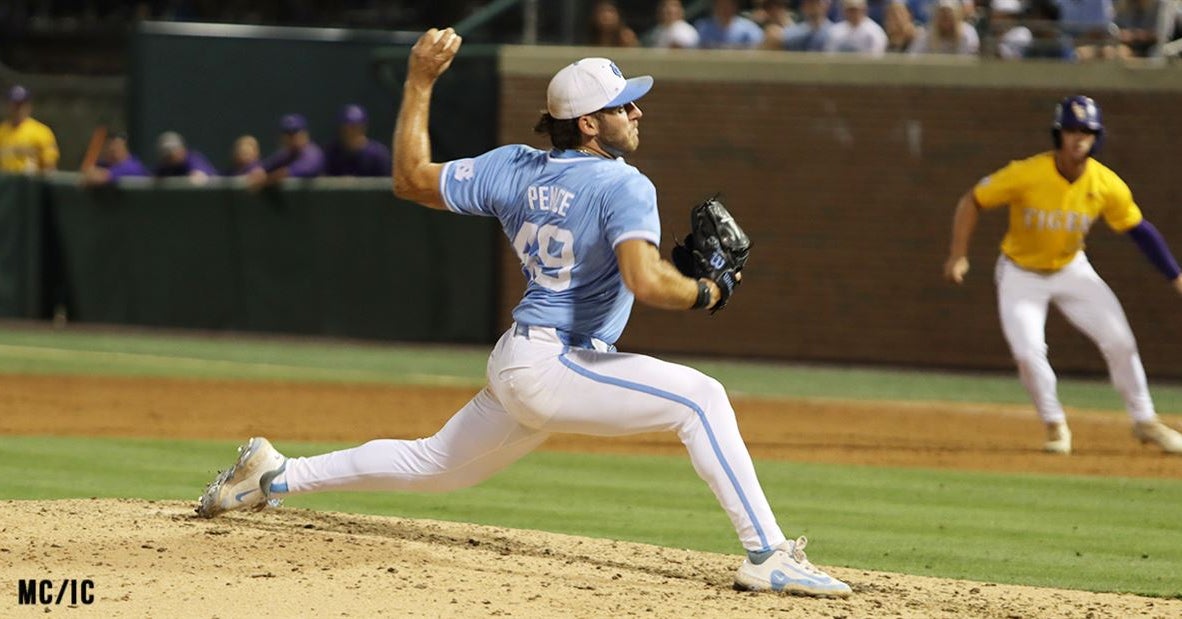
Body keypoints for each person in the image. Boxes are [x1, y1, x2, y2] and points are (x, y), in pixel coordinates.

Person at [196, 28, 853, 599]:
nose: (638, 110)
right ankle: (768, 556)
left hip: (524, 356)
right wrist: (705, 291)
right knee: (702, 399)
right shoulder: (625, 183)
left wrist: (420, 81)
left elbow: (409, 178)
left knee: (435, 464)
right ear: (590, 123)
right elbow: (644, 282)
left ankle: (273, 475)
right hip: (558, 360)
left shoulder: (515, 167)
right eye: (624, 104)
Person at [943, 95, 1182, 456]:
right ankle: (1055, 425)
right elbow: (972, 200)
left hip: (1072, 269)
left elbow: (1139, 230)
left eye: (1086, 131)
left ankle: (1145, 420)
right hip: (1021, 274)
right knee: (1027, 352)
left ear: (1096, 137)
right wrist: (958, 255)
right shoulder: (1027, 173)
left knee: (1120, 341)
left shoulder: (1105, 184)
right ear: (1059, 134)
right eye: (1071, 130)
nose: (1078, 138)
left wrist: (1175, 275)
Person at [247, 113, 325, 189]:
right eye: (287, 133)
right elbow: (265, 166)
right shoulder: (286, 154)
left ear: (305, 134)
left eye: (295, 132)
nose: (291, 138)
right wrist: (258, 171)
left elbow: (296, 171)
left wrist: (266, 181)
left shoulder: (313, 153)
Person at [0, 85, 60, 174]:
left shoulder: (41, 132)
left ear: (28, 106)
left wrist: (38, 172)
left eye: (20, 105)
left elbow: (50, 167)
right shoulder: (2, 131)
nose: (17, 109)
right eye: (14, 104)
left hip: (31, 185)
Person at [324, 104, 391, 177]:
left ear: (364, 128)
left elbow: (386, 185)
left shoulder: (378, 155)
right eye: (346, 128)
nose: (350, 132)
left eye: (355, 128)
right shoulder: (330, 153)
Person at [909, 0, 980, 54]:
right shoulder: (926, 35)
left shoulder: (968, 33)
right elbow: (912, 59)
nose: (946, 17)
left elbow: (972, 61)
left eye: (950, 14)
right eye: (942, 15)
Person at [81, 132, 149, 185]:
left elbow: (99, 178)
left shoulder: (133, 167)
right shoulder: (104, 163)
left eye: (117, 147)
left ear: (124, 148)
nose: (112, 150)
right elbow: (86, 173)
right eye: (108, 148)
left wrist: (92, 174)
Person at [823, 0, 889, 55]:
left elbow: (877, 58)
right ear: (844, 11)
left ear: (864, 9)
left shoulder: (875, 32)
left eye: (856, 10)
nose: (854, 13)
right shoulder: (835, 31)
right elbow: (829, 55)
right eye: (850, 10)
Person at [695, 0, 766, 48]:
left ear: (735, 6)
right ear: (715, 6)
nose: (725, 8)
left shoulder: (749, 28)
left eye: (728, 5)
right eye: (721, 5)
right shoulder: (704, 27)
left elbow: (758, 49)